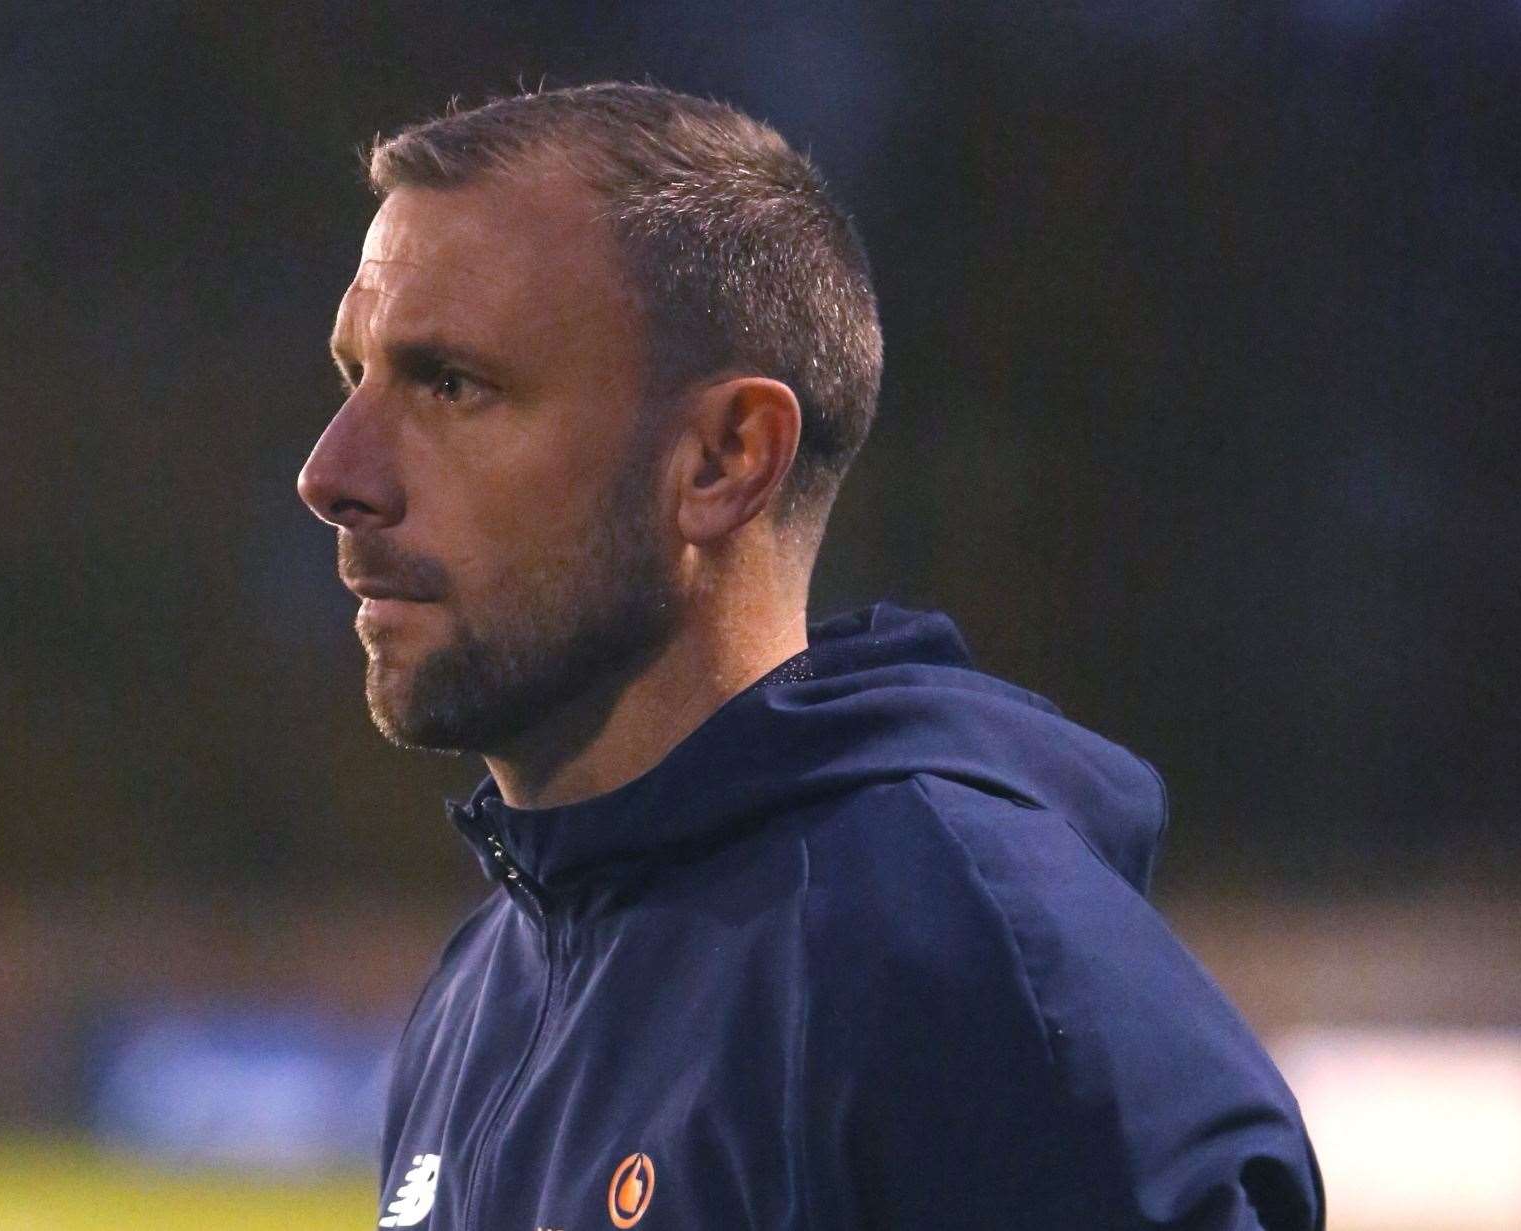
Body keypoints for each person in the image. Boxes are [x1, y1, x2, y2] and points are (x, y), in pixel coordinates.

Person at [296, 82, 1323, 1231]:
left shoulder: (967, 972)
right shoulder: (487, 985)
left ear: (726, 458)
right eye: (355, 378)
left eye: (452, 385)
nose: (335, 472)